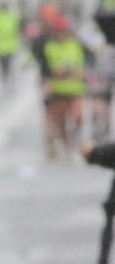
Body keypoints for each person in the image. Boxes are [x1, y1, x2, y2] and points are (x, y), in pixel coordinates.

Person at [43, 15, 86, 158]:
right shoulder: (50, 47)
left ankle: (76, 140)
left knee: (78, 117)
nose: (61, 34)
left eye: (63, 31)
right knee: (60, 122)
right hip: (58, 90)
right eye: (58, 31)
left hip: (75, 89)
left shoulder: (76, 45)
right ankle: (66, 143)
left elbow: (81, 66)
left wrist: (77, 72)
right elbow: (52, 70)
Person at [0, 1, 22, 86]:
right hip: (2, 46)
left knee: (8, 65)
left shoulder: (11, 17)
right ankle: (5, 81)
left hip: (8, 46)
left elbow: (18, 28)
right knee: (3, 66)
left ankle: (8, 80)